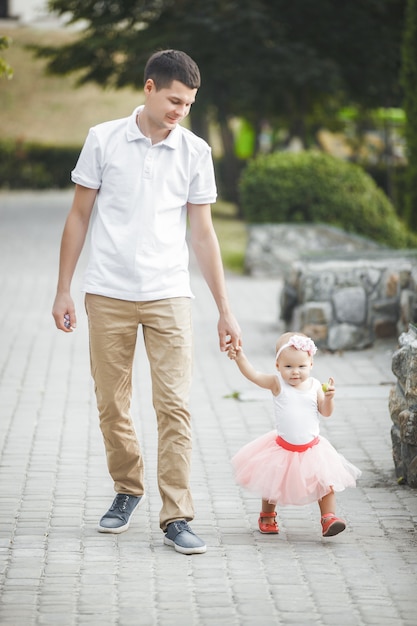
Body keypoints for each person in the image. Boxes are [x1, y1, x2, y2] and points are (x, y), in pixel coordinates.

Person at [52, 49, 241, 555]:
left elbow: (203, 235)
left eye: (189, 103)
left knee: (174, 406)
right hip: (107, 292)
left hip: (170, 296)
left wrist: (224, 308)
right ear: (150, 88)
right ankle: (127, 488)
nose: (181, 110)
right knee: (112, 404)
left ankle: (177, 515)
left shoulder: (195, 152)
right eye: (175, 99)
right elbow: (78, 216)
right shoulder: (103, 139)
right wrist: (63, 287)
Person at [226, 332, 361, 537]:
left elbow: (325, 412)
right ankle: (267, 516)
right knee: (272, 482)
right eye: (288, 366)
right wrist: (240, 357)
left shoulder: (315, 386)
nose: (295, 372)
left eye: (301, 366)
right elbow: (253, 375)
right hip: (282, 447)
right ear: (278, 366)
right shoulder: (276, 383)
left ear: (311, 365)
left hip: (313, 448)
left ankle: (328, 518)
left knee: (325, 482)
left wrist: (330, 398)